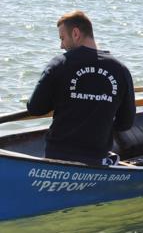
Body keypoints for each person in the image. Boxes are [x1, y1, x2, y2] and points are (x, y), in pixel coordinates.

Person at [27, 10, 136, 165]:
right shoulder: (121, 70)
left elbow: (35, 108)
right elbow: (125, 123)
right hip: (96, 158)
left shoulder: (59, 64)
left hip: (57, 156)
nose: (61, 45)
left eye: (62, 38)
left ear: (76, 33)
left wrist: (64, 100)